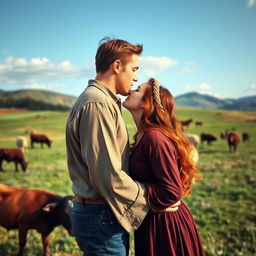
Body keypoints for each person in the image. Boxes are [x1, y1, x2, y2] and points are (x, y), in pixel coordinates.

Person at [65, 38, 179, 256]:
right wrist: (153, 200)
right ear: (117, 66)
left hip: (103, 212)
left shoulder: (103, 101)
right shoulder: (98, 104)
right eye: (134, 69)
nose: (136, 77)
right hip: (101, 215)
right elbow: (108, 175)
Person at [123, 78, 205, 256]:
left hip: (165, 225)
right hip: (152, 219)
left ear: (146, 104)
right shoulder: (142, 136)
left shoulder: (155, 138)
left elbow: (172, 191)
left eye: (136, 90)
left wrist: (133, 192)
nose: (130, 91)